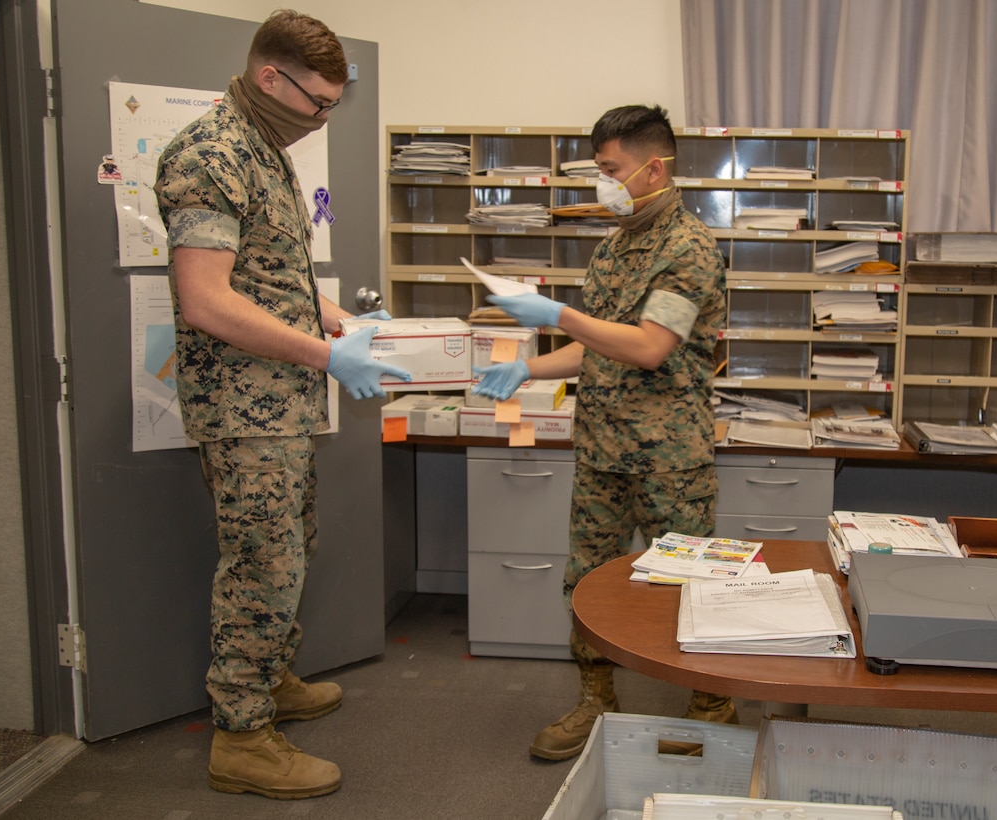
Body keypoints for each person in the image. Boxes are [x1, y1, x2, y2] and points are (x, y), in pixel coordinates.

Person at [154, 10, 410, 800]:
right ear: (271, 78)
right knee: (261, 564)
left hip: (283, 402)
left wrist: (331, 315)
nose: (323, 116)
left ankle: (271, 678)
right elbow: (204, 301)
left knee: (292, 544)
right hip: (244, 407)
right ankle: (240, 734)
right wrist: (328, 355)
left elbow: (265, 274)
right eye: (319, 101)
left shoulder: (264, 149)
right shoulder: (208, 155)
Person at [471, 104, 735, 761]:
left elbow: (648, 347)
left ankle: (711, 708)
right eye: (598, 170)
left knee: (687, 581)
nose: (603, 182)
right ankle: (595, 701)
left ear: (654, 166)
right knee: (587, 579)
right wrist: (526, 367)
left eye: (610, 169)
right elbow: (599, 347)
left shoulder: (688, 248)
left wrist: (556, 311)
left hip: (668, 455)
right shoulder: (613, 246)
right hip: (600, 449)